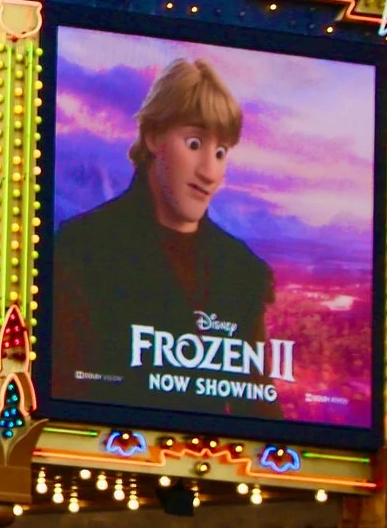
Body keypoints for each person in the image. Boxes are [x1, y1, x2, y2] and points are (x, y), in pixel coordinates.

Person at [49, 57, 280, 419]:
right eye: (193, 143)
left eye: (220, 153)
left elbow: (261, 410)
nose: (209, 171)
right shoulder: (82, 247)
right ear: (154, 135)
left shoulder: (243, 271)